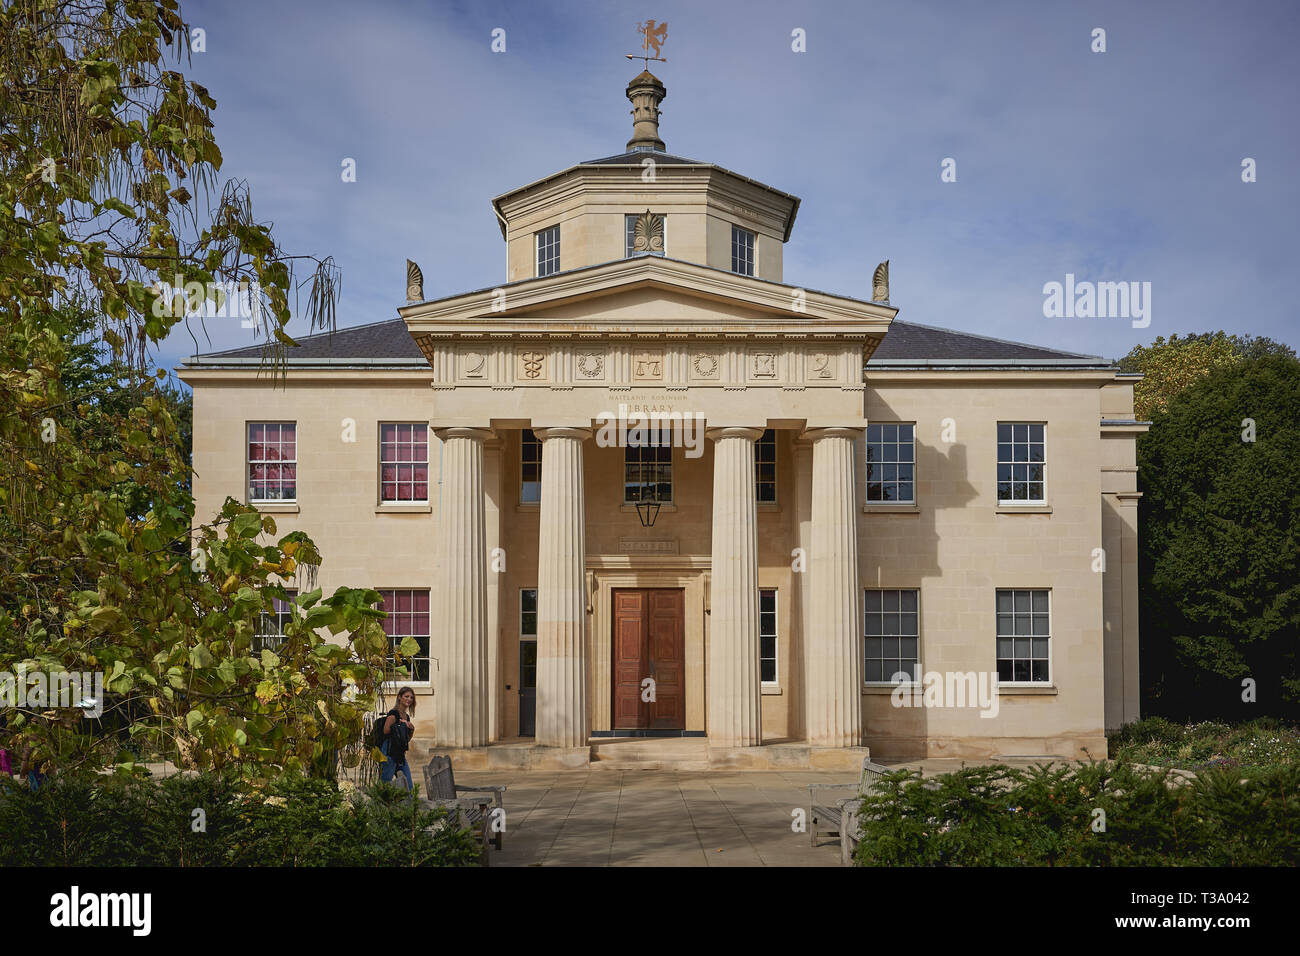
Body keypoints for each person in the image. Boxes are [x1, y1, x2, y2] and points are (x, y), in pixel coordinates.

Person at [379, 687, 416, 792]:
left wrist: (411, 730)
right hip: (389, 752)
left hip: (400, 753)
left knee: (408, 785)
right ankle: (379, 806)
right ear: (399, 697)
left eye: (411, 697)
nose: (409, 699)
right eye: (406, 696)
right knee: (385, 784)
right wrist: (400, 725)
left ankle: (410, 807)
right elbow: (386, 730)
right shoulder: (393, 713)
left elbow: (405, 740)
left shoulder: (406, 716)